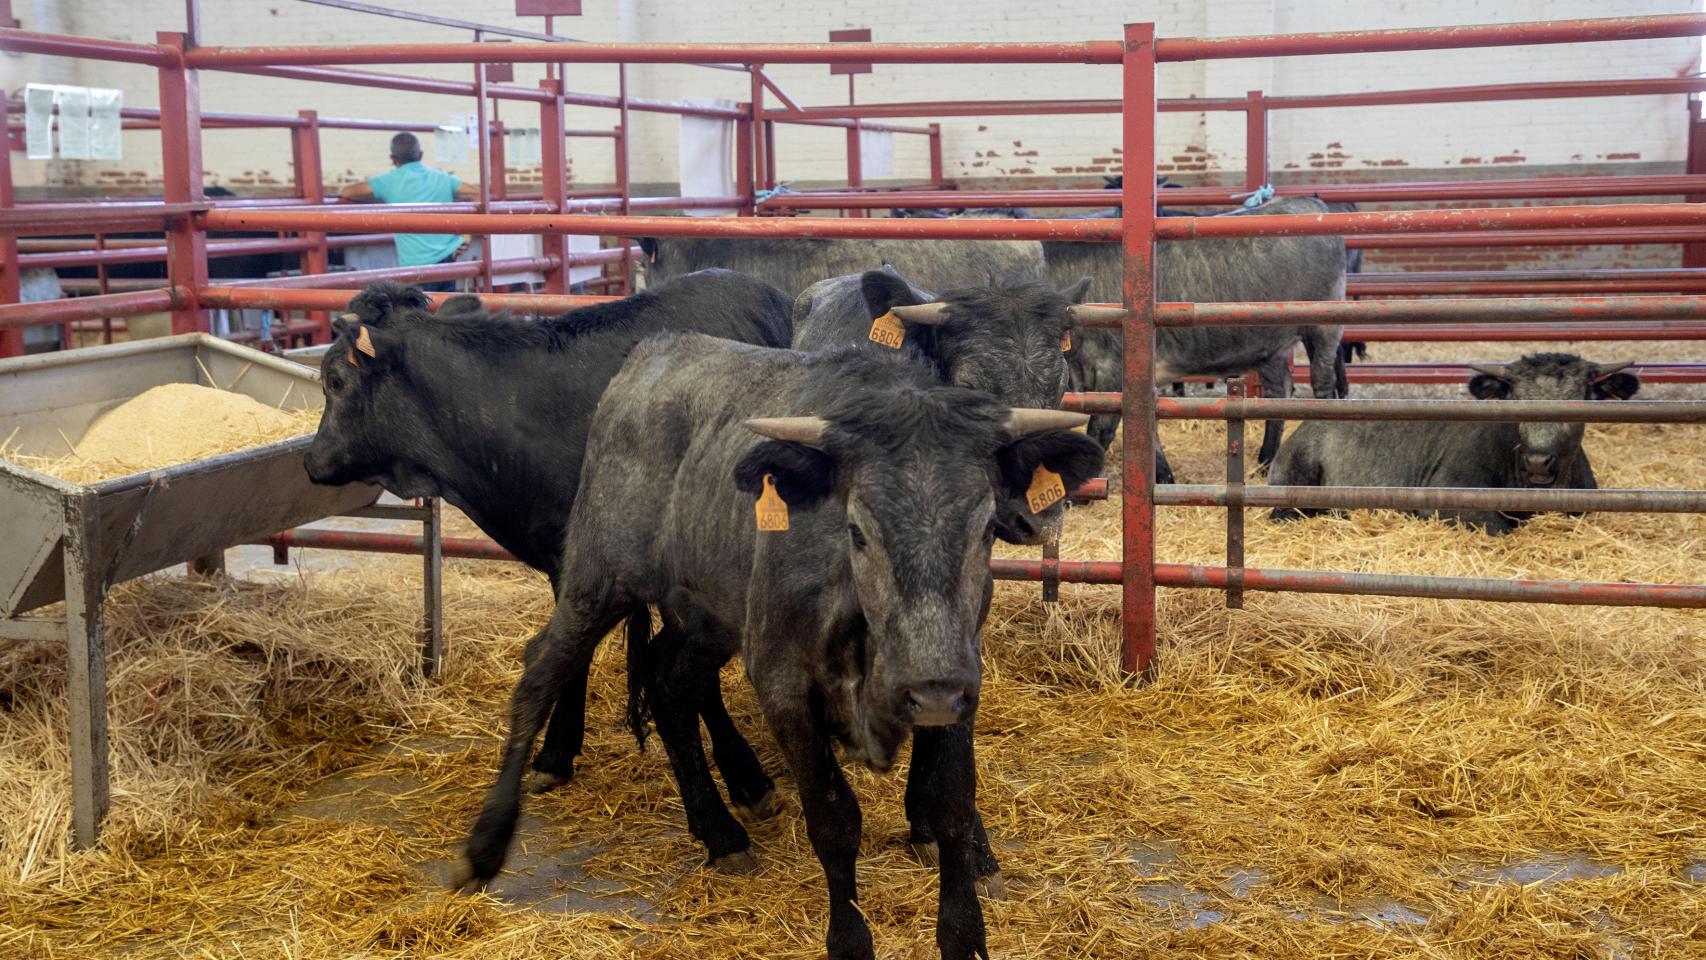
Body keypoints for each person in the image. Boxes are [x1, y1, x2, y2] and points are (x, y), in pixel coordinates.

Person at [339, 132, 480, 291]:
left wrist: (379, 197)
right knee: (444, 310)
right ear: (420, 155)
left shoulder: (387, 182)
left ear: (392, 159)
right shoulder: (442, 178)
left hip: (416, 265)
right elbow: (476, 193)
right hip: (448, 257)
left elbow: (347, 192)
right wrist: (468, 233)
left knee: (418, 312)